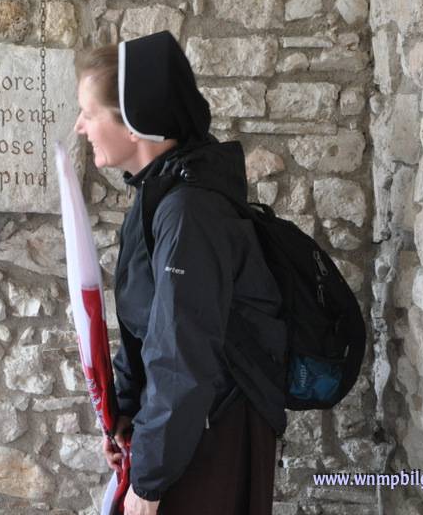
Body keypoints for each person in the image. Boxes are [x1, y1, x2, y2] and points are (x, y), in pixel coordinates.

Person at [73, 31, 285, 515]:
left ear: (134, 125)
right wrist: (124, 412)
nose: (81, 127)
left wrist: (149, 481)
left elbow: (182, 355)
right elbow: (145, 326)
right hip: (187, 426)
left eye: (89, 113)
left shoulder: (189, 212)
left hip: (214, 431)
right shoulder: (157, 194)